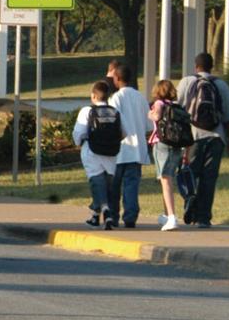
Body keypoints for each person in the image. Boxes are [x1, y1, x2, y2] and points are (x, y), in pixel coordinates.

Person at [176, 52, 229, 229]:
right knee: (209, 178)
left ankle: (190, 200)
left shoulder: (187, 82)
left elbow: (176, 108)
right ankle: (203, 218)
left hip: (193, 138)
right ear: (212, 66)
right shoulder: (221, 85)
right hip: (216, 137)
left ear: (196, 66)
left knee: (188, 174)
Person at [108, 62, 151, 228]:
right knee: (131, 185)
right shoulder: (140, 97)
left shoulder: (116, 98)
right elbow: (148, 126)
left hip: (120, 151)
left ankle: (113, 215)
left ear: (117, 79)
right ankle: (130, 216)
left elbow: (113, 122)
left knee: (114, 186)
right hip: (137, 151)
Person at [72, 80, 120, 229]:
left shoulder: (87, 111)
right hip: (111, 152)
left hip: (92, 150)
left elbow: (78, 133)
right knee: (107, 184)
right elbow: (123, 132)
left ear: (93, 96)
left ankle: (106, 211)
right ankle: (95, 216)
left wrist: (79, 143)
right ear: (108, 96)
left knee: (96, 182)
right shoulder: (115, 111)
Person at [147, 79, 183, 231]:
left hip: (162, 144)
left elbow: (155, 117)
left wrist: (150, 113)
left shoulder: (159, 104)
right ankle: (167, 214)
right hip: (175, 145)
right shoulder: (175, 105)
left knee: (165, 180)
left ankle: (172, 217)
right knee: (169, 179)